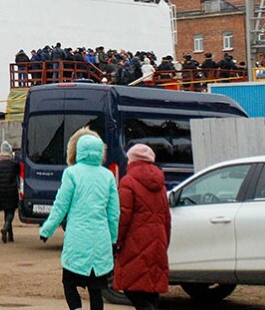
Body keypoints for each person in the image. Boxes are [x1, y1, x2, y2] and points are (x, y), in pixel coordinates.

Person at [39, 128, 119, 310]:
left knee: (69, 283)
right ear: (101, 152)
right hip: (100, 241)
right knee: (96, 290)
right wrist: (113, 238)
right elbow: (114, 213)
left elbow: (61, 206)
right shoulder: (108, 176)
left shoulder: (72, 173)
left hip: (77, 241)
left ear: (77, 150)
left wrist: (47, 230)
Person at [113, 144, 171, 310]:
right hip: (158, 242)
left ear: (131, 161)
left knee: (132, 289)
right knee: (151, 290)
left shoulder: (128, 182)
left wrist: (116, 240)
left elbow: (123, 216)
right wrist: (164, 243)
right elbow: (167, 219)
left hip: (134, 242)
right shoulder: (161, 185)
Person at [0, 141, 20, 243]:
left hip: (0, 192)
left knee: (6, 212)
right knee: (11, 212)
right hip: (12, 191)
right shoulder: (14, 164)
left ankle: (10, 235)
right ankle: (6, 227)